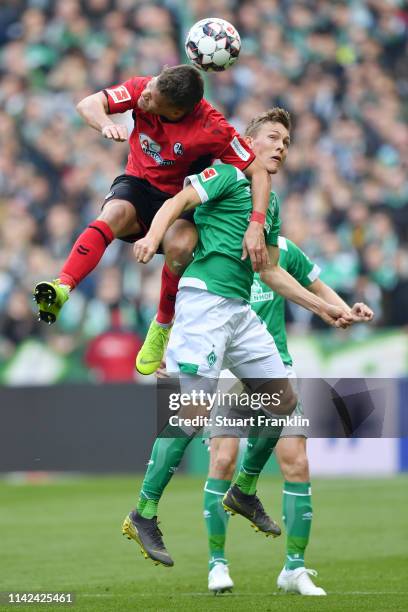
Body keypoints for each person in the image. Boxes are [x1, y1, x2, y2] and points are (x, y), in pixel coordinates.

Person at [122, 108, 352, 568]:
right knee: (192, 413)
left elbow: (269, 270)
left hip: (240, 311)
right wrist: (153, 235)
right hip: (204, 302)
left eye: (287, 141)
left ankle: (244, 490)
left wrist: (324, 307)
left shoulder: (271, 205)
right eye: (273, 137)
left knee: (282, 403)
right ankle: (143, 511)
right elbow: (176, 203)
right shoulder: (227, 173)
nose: (282, 147)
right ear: (250, 140)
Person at [33, 64, 271, 359]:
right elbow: (88, 104)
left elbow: (259, 173)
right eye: (149, 87)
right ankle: (62, 288)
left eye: (151, 97)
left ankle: (161, 326)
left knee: (181, 246)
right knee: (113, 215)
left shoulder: (213, 129)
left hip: (181, 199)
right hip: (138, 185)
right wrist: (105, 123)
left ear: (174, 112)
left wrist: (256, 224)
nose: (144, 94)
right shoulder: (142, 87)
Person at [205, 234, 373, 595]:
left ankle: (294, 569)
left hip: (276, 369)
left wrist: (346, 309)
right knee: (223, 460)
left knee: (296, 462)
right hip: (228, 371)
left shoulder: (281, 248)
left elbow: (317, 285)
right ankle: (217, 563)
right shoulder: (214, 244)